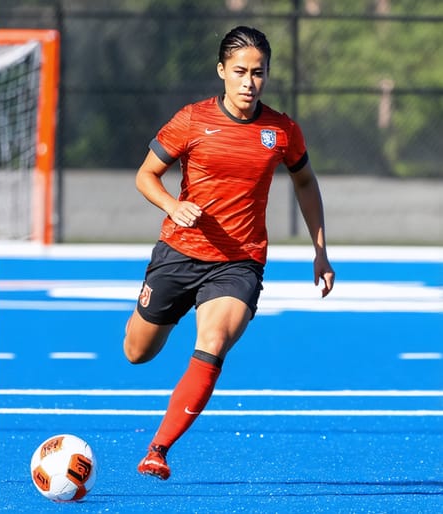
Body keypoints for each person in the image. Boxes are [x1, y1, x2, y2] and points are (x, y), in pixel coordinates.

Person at [125, 26, 335, 480]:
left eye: (258, 73)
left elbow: (304, 181)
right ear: (221, 71)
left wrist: (320, 249)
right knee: (137, 353)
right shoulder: (191, 121)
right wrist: (172, 204)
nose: (248, 82)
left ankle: (158, 449)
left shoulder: (282, 131)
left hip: (239, 262)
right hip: (178, 254)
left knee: (214, 341)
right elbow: (146, 175)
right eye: (239, 71)